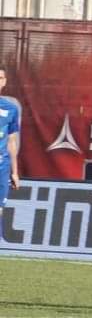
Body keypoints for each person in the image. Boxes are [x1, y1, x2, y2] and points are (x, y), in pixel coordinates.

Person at [0, 66, 20, 211]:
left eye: (0, 78)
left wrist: (14, 172)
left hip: (2, 165)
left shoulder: (11, 108)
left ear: (5, 82)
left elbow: (12, 141)